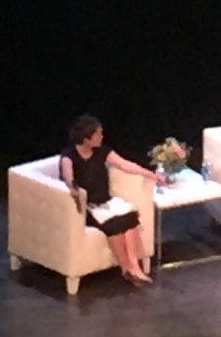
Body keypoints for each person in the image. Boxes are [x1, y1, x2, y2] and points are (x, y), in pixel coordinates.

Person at [59, 114, 161, 286]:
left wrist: (151, 174)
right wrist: (72, 187)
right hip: (89, 207)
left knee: (130, 219)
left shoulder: (102, 151)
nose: (102, 137)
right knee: (114, 226)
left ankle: (135, 268)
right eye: (98, 134)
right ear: (86, 138)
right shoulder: (69, 156)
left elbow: (125, 164)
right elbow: (68, 174)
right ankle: (125, 268)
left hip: (105, 201)